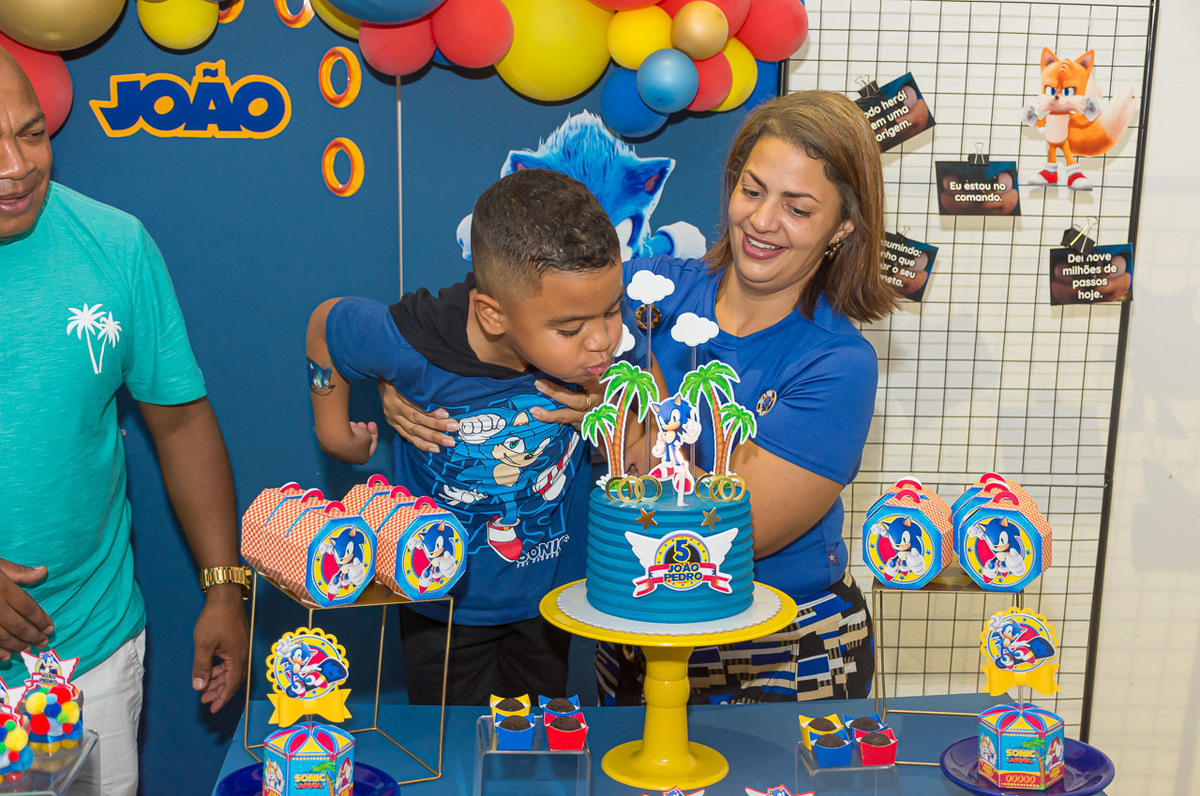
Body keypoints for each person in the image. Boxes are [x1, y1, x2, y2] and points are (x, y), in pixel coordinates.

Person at [383, 90, 895, 704]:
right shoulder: (649, 291)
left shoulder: (835, 362)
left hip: (781, 646)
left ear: (842, 226)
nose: (762, 221)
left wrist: (624, 427)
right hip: (634, 624)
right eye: (752, 190)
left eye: (798, 208)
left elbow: (729, 535)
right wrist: (405, 373)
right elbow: (509, 303)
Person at [0, 47, 249, 796]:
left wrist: (224, 587)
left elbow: (179, 424)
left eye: (31, 134)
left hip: (76, 661)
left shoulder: (114, 245)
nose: (15, 165)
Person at [306, 168, 641, 706]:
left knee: (535, 747)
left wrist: (610, 416)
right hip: (442, 603)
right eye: (571, 328)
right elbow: (327, 326)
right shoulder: (414, 339)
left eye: (612, 309)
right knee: (455, 753)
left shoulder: (603, 359)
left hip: (550, 599)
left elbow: (649, 439)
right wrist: (335, 436)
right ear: (492, 315)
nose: (603, 339)